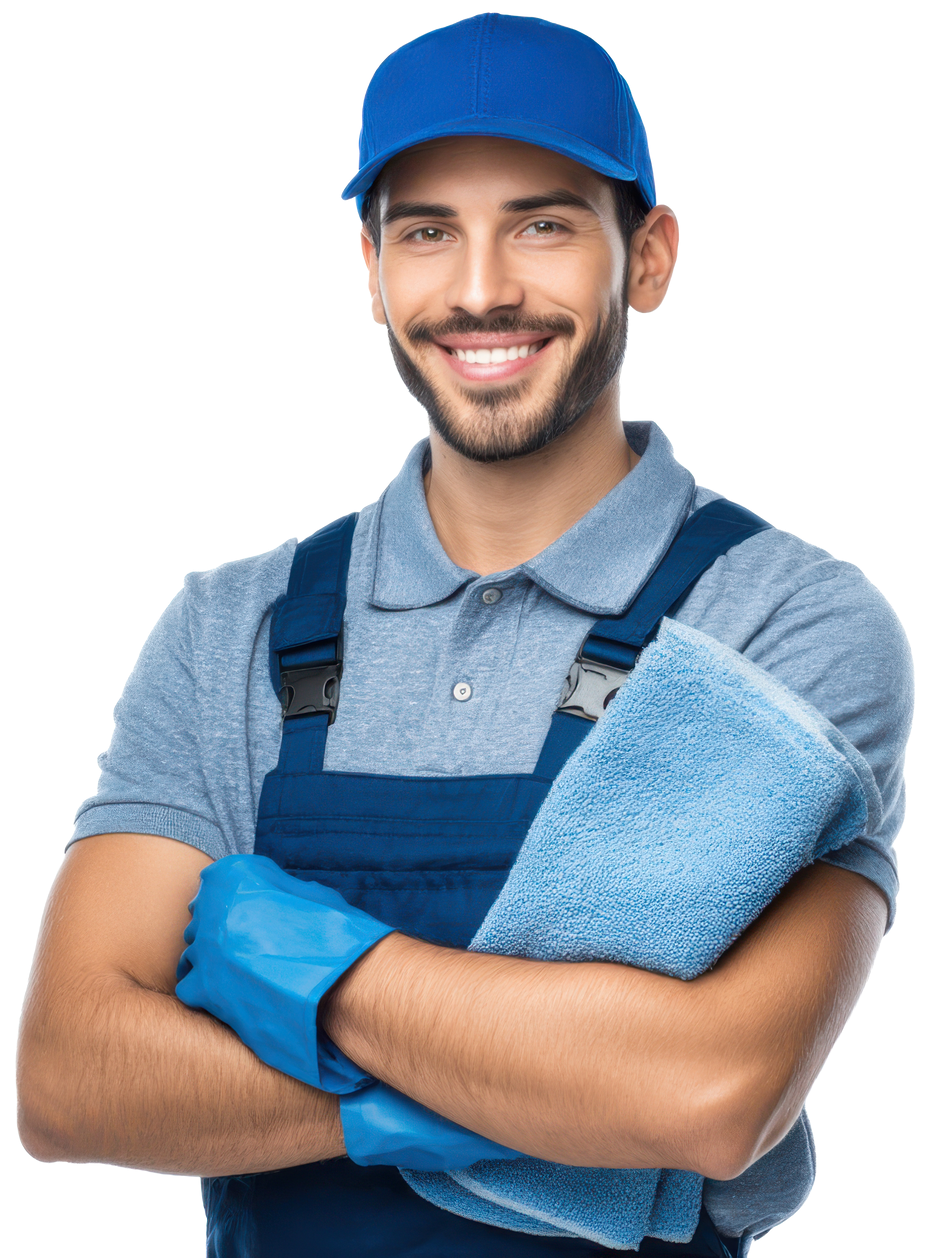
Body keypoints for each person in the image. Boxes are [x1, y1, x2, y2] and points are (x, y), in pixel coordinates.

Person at [15, 14, 911, 1258]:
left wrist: (321, 971)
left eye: (542, 225)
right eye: (429, 231)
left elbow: (705, 1096)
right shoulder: (232, 626)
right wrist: (499, 1100)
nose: (482, 289)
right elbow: (72, 1077)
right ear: (372, 269)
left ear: (649, 258)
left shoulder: (778, 619)